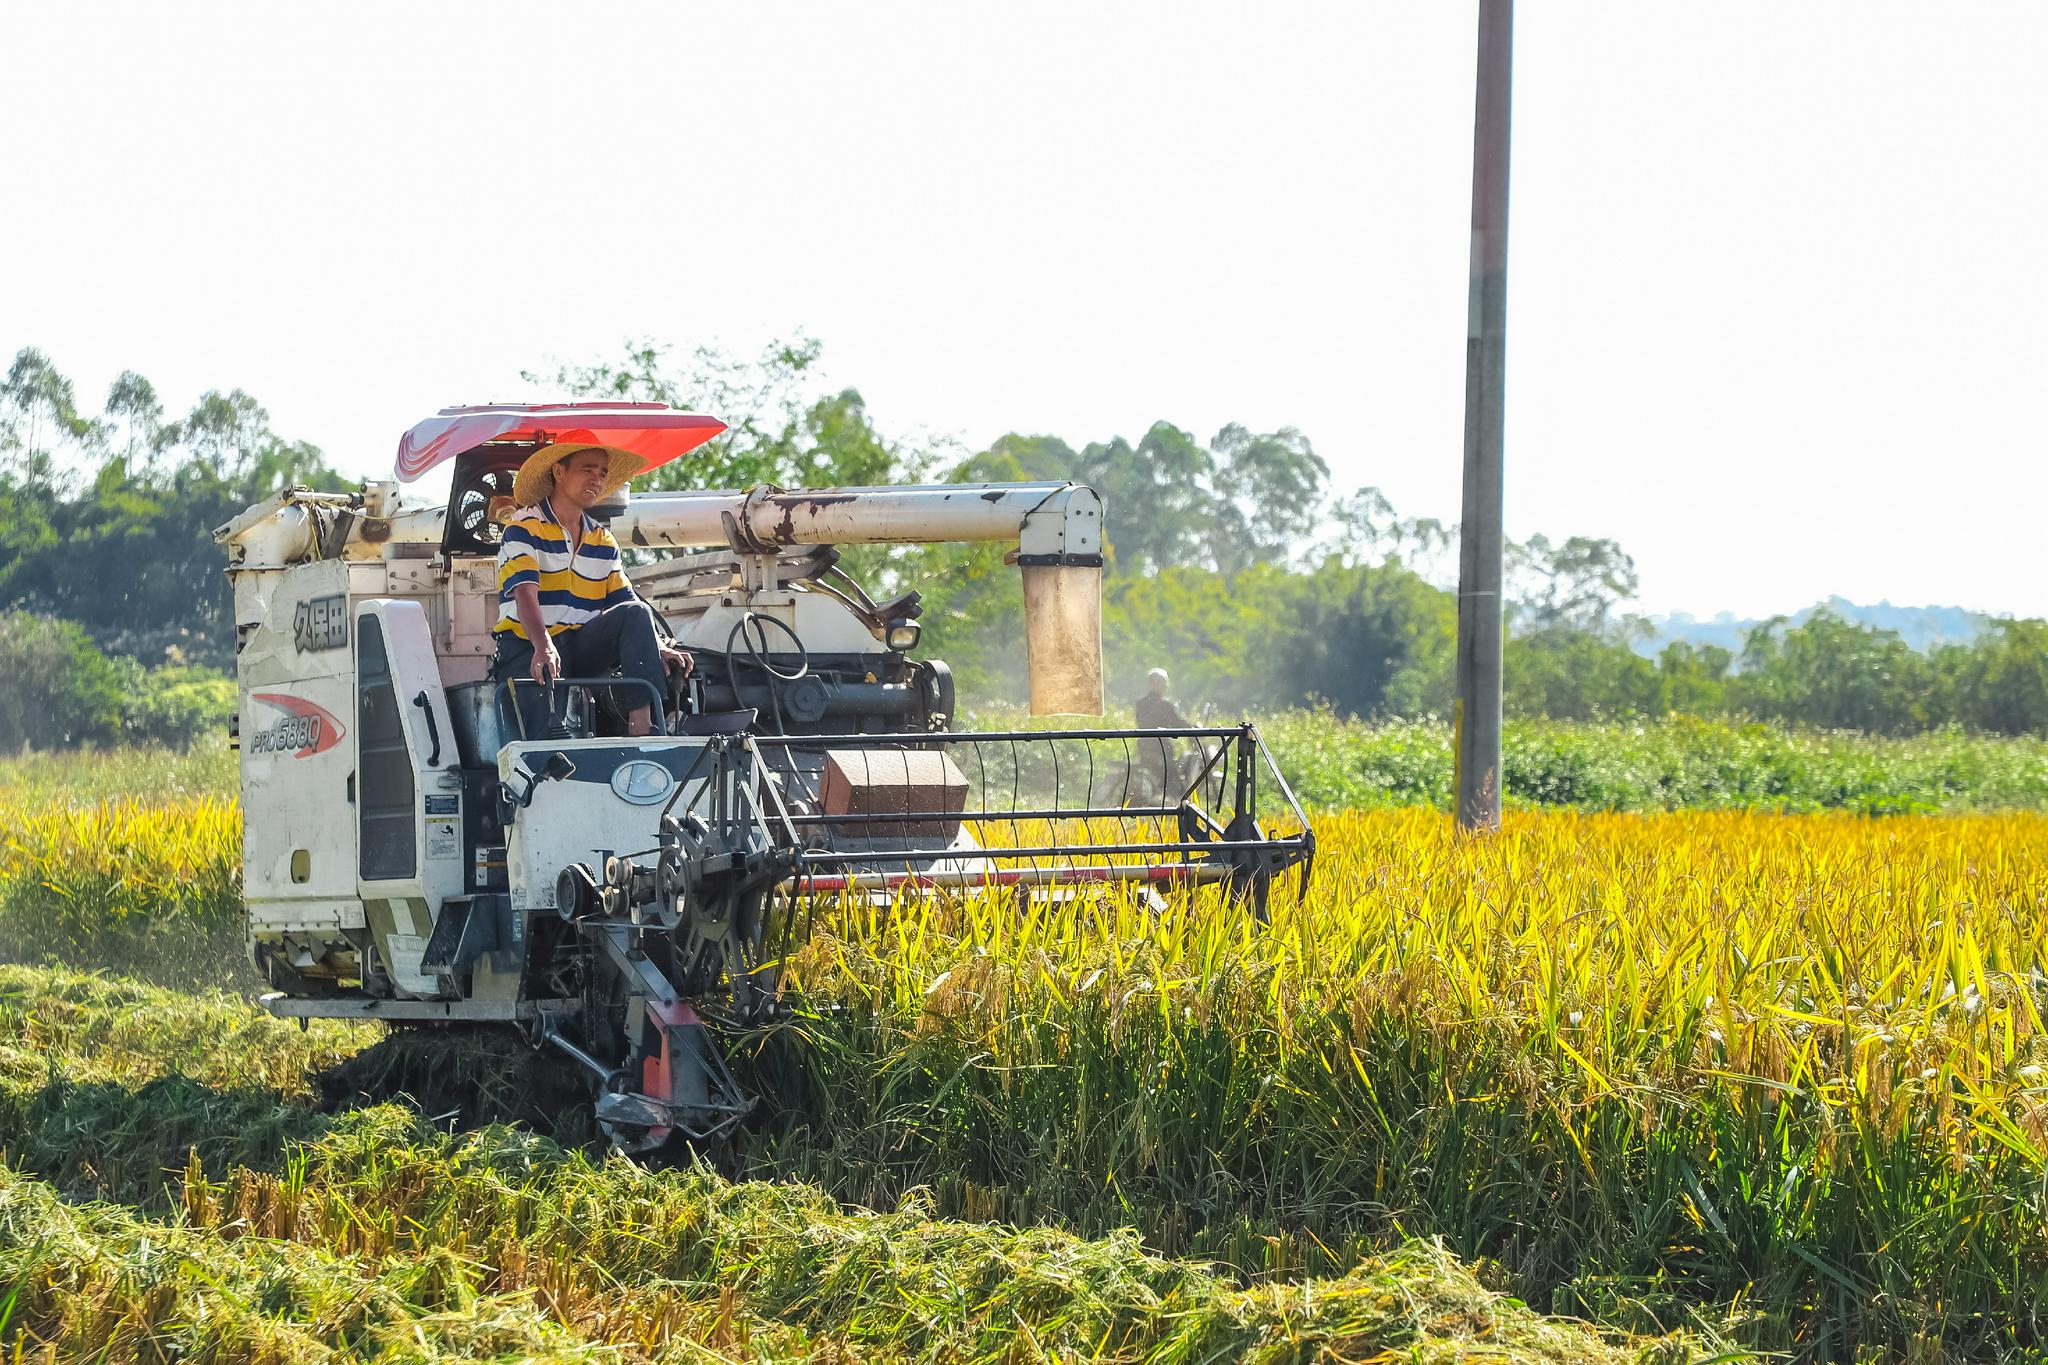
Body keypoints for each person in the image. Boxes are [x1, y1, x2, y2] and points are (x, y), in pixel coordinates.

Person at [492, 443, 692, 737]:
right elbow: (525, 593)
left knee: (636, 612)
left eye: (602, 473)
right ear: (559, 472)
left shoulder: (602, 538)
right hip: (527, 646)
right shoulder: (523, 526)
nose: (597, 479)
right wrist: (543, 646)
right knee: (540, 748)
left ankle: (643, 729)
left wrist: (659, 647)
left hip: (578, 645)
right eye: (588, 469)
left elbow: (625, 601)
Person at [1133, 667, 1189, 801]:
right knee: (1174, 776)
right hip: (1160, 749)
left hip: (1144, 747)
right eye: (1164, 683)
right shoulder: (1165, 705)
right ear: (1158, 684)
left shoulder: (1141, 704)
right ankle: (1177, 803)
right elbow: (1177, 723)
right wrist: (1191, 727)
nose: (1165, 687)